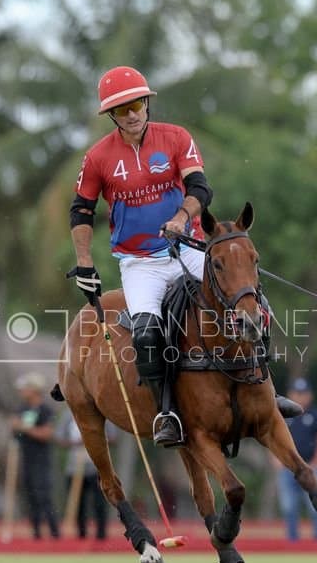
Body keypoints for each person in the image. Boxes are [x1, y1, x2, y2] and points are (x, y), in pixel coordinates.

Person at [66, 65, 301, 447]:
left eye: (138, 103)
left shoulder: (175, 138)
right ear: (112, 115)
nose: (133, 113)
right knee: (145, 332)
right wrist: (84, 262)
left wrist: (181, 217)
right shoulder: (98, 158)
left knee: (250, 299)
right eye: (123, 108)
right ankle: (167, 413)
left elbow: (199, 187)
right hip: (140, 262)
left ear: (147, 103)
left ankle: (266, 391)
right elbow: (81, 210)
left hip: (188, 249)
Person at [269, 378, 317, 542]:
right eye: (297, 393)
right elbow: (272, 438)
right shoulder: (280, 416)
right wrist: (276, 460)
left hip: (311, 467)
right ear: (290, 395)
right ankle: (292, 540)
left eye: (303, 393)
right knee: (288, 506)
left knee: (315, 507)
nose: (300, 397)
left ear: (310, 395)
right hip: (288, 469)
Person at [10, 372, 59, 540]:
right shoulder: (22, 409)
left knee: (43, 496)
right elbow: (15, 432)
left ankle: (54, 533)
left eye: (25, 388)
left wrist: (24, 427)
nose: (22, 391)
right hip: (26, 459)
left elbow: (46, 434)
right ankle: (36, 533)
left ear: (34, 390)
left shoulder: (45, 410)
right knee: (30, 496)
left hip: (41, 460)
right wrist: (15, 428)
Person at [57, 412, 109, 540]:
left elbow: (112, 437)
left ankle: (101, 534)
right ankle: (81, 533)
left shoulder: (99, 413)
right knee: (78, 503)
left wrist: (92, 439)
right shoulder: (68, 417)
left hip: (96, 466)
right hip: (74, 467)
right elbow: (59, 438)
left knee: (99, 502)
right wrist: (75, 442)